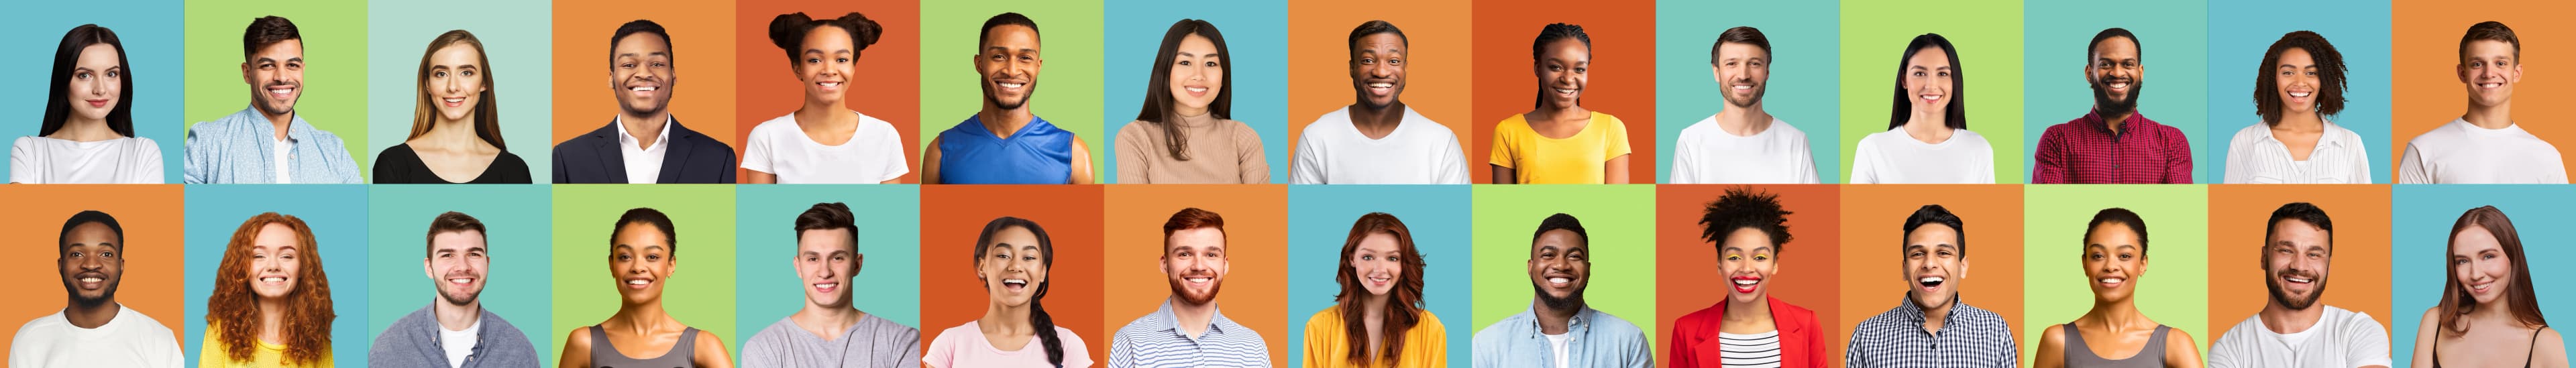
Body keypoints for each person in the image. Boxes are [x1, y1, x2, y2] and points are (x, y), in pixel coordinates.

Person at [551, 20, 739, 184]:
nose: (644, 73)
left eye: (657, 64)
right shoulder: (568, 158)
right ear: (611, 77)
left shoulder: (718, 158)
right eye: (629, 65)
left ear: (673, 75)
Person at [182, 16, 362, 184]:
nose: (282, 77)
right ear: (247, 73)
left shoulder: (334, 151)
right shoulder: (207, 143)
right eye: (268, 65)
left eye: (292, 65)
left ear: (303, 69)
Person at [2208, 203, 2391, 368]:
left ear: (2328, 264)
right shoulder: (2229, 350)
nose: (2299, 266)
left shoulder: (2358, 331)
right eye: (2286, 250)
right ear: (2264, 258)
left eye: (2314, 254)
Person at [1287, 20, 1470, 184]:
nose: (1381, 72)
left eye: (1393, 61)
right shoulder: (1317, 137)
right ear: (1352, 68)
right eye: (1368, 60)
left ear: (1405, 68)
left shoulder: (1440, 141)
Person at [743, 202, 922, 367]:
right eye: (813, 259)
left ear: (857, 264)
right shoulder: (764, 348)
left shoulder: (901, 342)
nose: (825, 272)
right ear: (798, 267)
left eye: (837, 258)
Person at [923, 13, 1095, 184]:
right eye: (999, 56)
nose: (1012, 71)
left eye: (1025, 58)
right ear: (979, 64)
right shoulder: (940, 152)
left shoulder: (1074, 153)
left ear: (1038, 66)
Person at [743, 12, 909, 184]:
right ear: (798, 68)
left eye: (842, 59)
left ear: (853, 67)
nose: (829, 70)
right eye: (814, 60)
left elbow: (889, 210)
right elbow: (760, 210)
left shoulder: (884, 136)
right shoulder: (767, 137)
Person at [557, 208, 735, 367]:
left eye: (652, 257)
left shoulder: (704, 346)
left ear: (671, 265)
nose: (638, 267)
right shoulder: (583, 343)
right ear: (611, 265)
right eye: (625, 257)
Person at [1667, 188, 1823, 367]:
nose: (1747, 268)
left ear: (1774, 264)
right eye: (1734, 257)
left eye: (1760, 258)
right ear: (1719, 263)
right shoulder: (1686, 330)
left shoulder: (1807, 324)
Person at [1471, 213, 1652, 368]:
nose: (1561, 265)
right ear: (1530, 267)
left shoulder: (1628, 341)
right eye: (1549, 255)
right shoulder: (1488, 345)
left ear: (1588, 269)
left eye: (1574, 256)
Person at [1845, 204, 2017, 367]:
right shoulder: (1866, 336)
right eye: (1918, 254)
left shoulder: (1996, 331)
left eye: (1943, 253)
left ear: (1963, 266)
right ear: (1904, 269)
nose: (1929, 263)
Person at [2398, 21, 2568, 184]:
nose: (2489, 73)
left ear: (2516, 73)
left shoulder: (2547, 157)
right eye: (2477, 64)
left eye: (2500, 63)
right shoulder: (2423, 150)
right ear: (2462, 73)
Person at [9, 210, 183, 367]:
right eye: (77, 254)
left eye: (106, 254)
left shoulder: (159, 340)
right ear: (61, 265)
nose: (91, 264)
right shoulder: (29, 341)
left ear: (121, 265)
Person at [366, 212, 540, 367]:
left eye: (473, 254)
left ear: (487, 264)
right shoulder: (389, 348)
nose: (462, 267)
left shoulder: (519, 350)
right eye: (448, 255)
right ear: (429, 267)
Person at [2035, 208, 2204, 368]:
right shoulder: (2058, 340)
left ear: (2143, 264)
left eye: (2125, 256)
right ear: (2085, 264)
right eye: (2098, 256)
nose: (2110, 266)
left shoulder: (2176, 343)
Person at [1107, 208, 1271, 367]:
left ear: (1225, 265)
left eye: (1211, 255)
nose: (1199, 266)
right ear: (1165, 264)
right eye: (1184, 254)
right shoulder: (1129, 341)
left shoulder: (1253, 347)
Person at [2408, 206, 2568, 367]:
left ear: (2512, 257)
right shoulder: (2435, 322)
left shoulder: (2547, 344)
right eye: (2463, 261)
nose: (2476, 274)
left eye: (2488, 256)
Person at [926, 217, 1094, 367]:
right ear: (982, 266)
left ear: (1042, 272)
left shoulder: (1069, 345)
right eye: (1003, 255)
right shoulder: (950, 344)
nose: (1016, 266)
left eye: (1029, 257)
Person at [1114, 19, 1269, 184]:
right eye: (1185, 62)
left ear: (1223, 77)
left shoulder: (1244, 139)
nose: (1199, 75)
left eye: (1210, 63)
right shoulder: (1135, 138)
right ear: (1165, 71)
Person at [2035, 28, 2192, 184]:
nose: (2117, 73)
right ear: (2089, 73)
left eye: (2128, 64)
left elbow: (2181, 208)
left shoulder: (2171, 142)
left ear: (2140, 72)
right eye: (2106, 64)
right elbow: (2047, 208)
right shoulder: (2057, 140)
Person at [374, 30, 532, 184]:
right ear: (427, 84)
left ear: (484, 82)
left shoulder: (514, 169)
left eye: (466, 73)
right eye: (441, 74)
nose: (453, 87)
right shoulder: (393, 163)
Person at [13, 24, 163, 184]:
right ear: (63, 79)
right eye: (84, 75)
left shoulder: (143, 153)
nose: (100, 89)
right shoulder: (31, 152)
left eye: (111, 74)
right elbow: (19, 210)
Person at [1669, 26, 1819, 184]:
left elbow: (1813, 209)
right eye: (1732, 64)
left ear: (1767, 71)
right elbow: (1680, 209)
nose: (1743, 75)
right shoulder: (1691, 141)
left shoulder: (1795, 142)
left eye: (1754, 64)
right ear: (1716, 72)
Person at [1301, 212, 1448, 368]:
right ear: (1352, 259)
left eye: (1392, 258)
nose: (1380, 270)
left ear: (1404, 263)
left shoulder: (1430, 329)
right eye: (1368, 257)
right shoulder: (1320, 327)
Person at [1489, 23, 1631, 184]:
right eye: (1556, 67)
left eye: (1579, 69)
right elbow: (1504, 206)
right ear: (1538, 68)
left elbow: (1618, 205)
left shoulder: (1611, 128)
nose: (1568, 79)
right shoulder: (1508, 131)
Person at [2224, 31, 2373, 184]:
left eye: (2311, 73)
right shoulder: (2244, 141)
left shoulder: (2350, 143)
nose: (2300, 82)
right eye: (2288, 72)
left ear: (2324, 79)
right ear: (2273, 78)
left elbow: (2366, 206)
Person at [1851, 34, 1995, 184]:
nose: (1931, 85)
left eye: (1943, 74)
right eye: (1920, 73)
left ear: (1955, 81)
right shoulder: (1872, 150)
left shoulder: (1979, 150)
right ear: (1904, 79)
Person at [200, 212, 337, 367]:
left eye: (286, 256)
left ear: (303, 268)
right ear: (243, 267)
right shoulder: (221, 333)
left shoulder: (317, 343)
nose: (273, 266)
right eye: (259, 256)